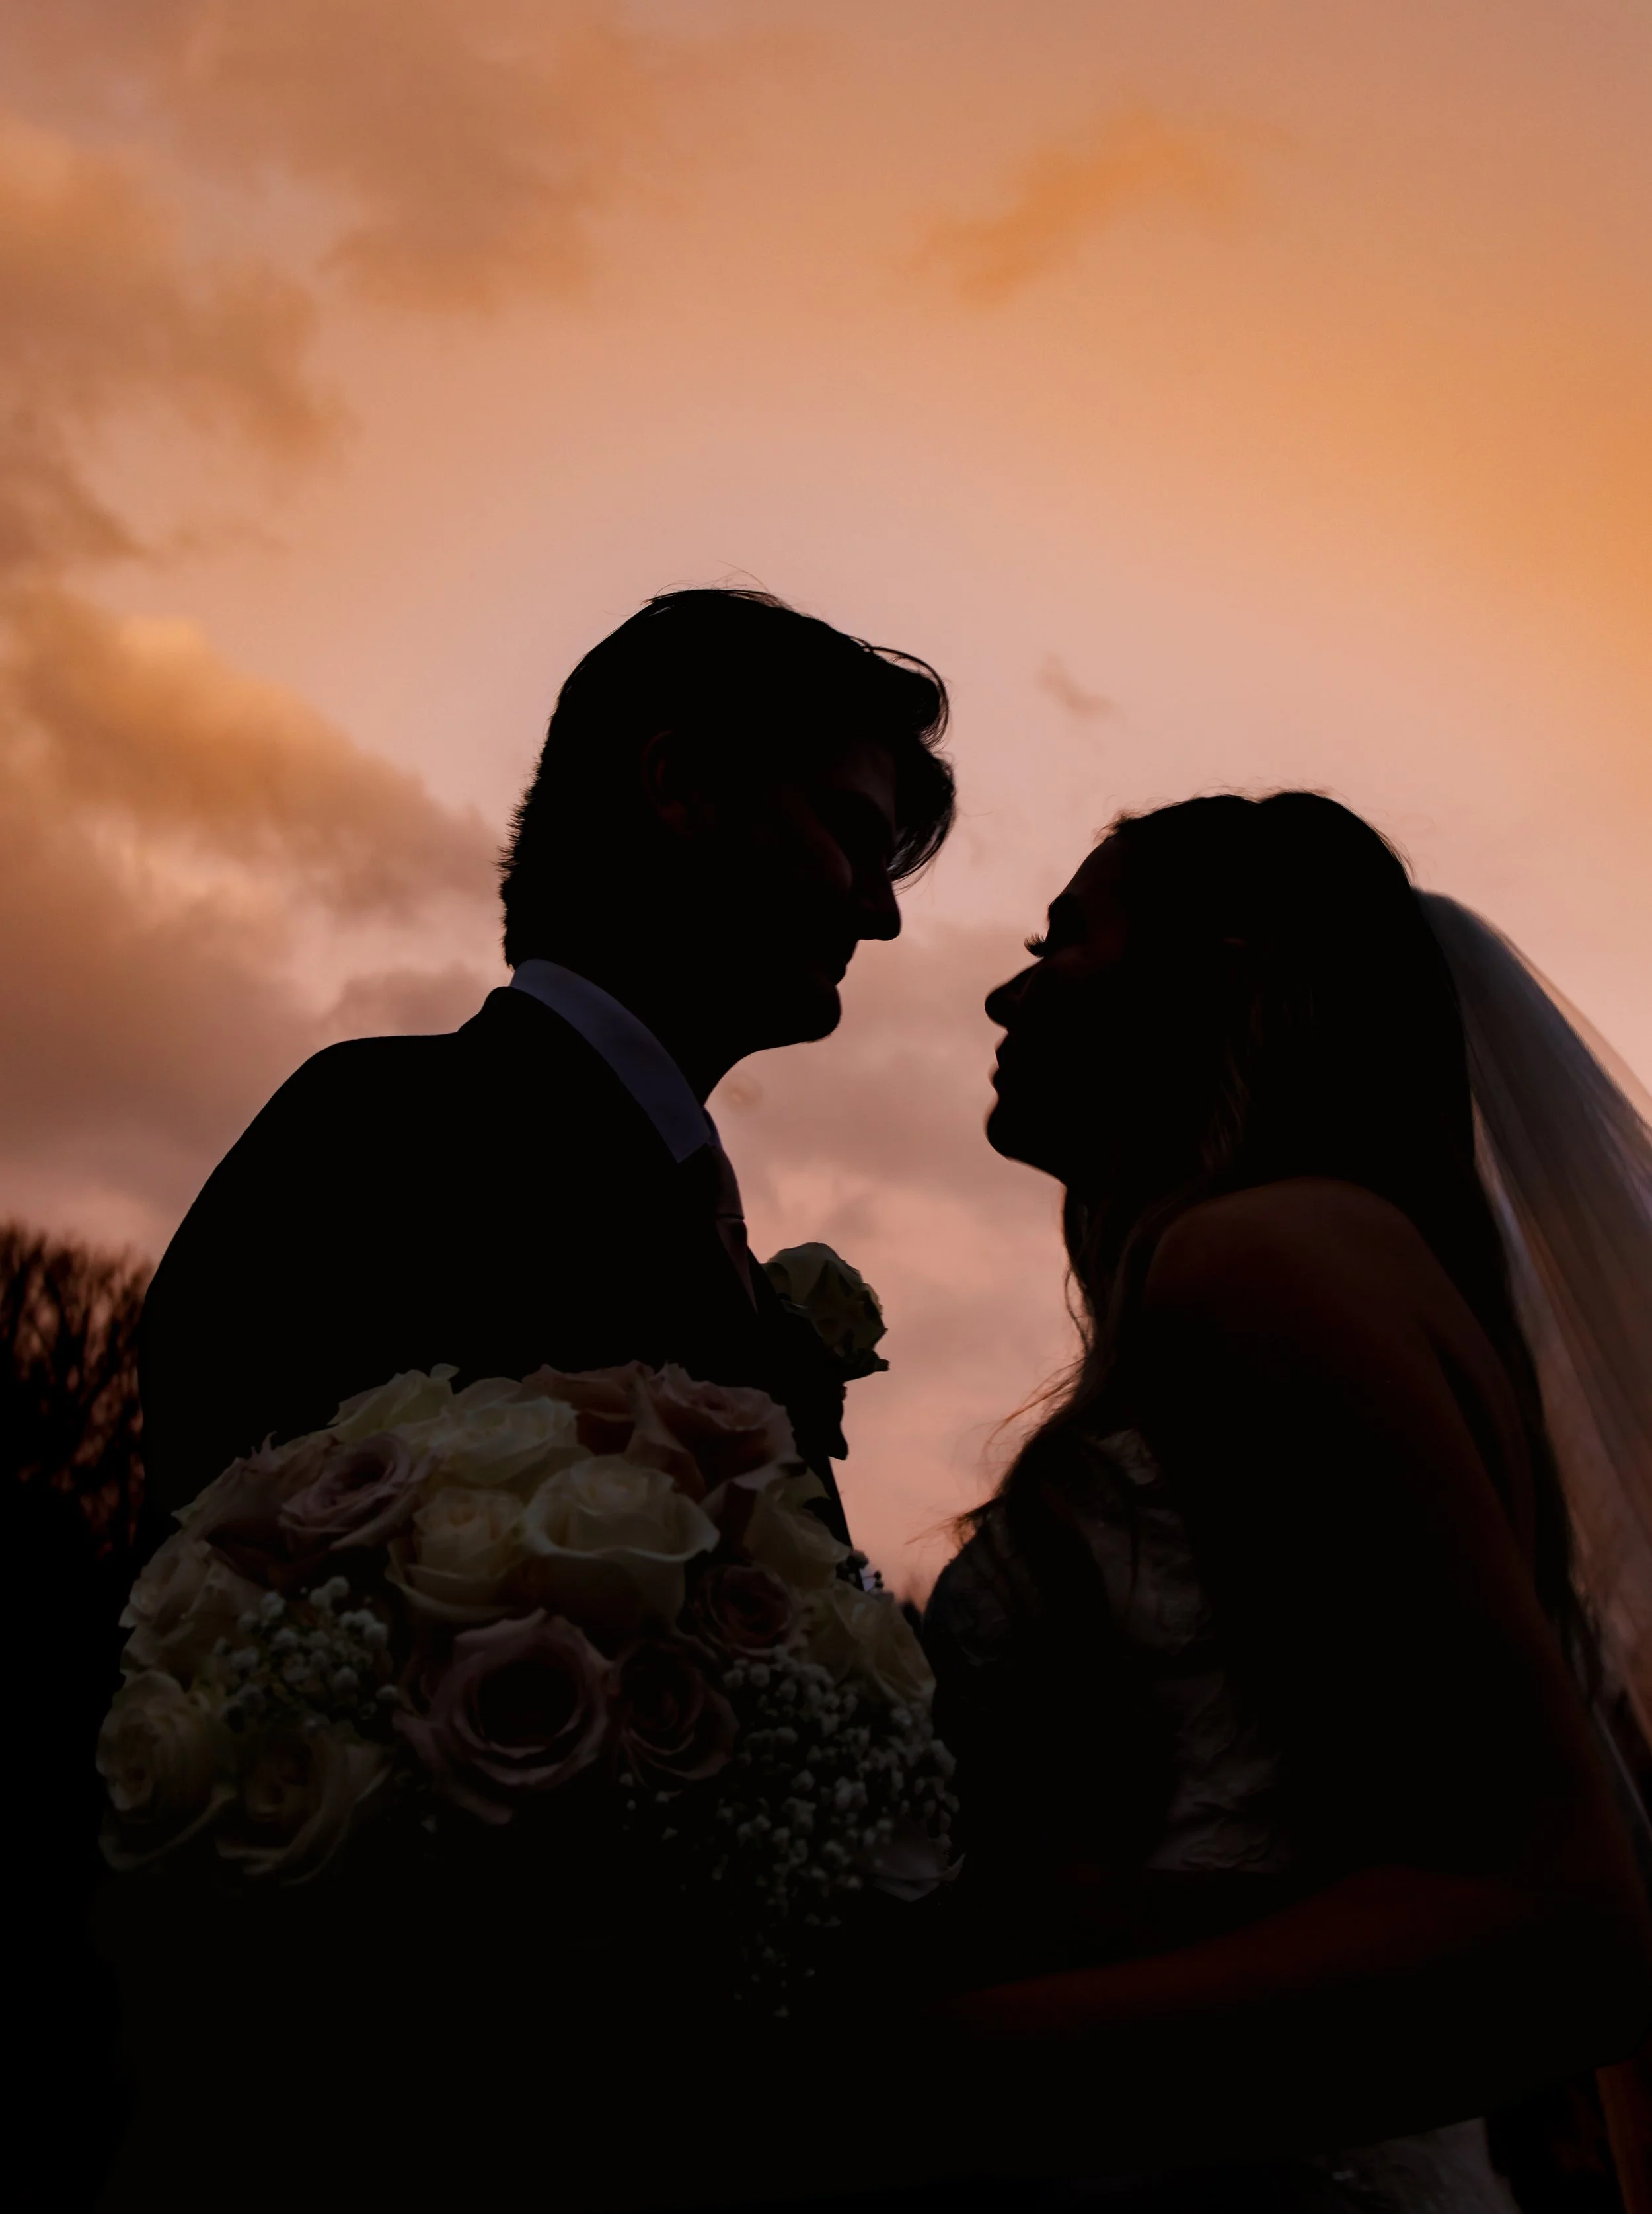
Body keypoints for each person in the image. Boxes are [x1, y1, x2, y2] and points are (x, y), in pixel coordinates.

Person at [920, 792, 1651, 2207]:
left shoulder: (1256, 1263)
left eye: (1064, 941)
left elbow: (1556, 1930)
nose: (1007, 988)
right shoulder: (1338, 1262)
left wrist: (913, 2071)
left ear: (1224, 969)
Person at [138, 588, 954, 1545]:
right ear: (681, 785)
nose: (881, 914)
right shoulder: (378, 1137)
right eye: (854, 836)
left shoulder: (696, 1221)